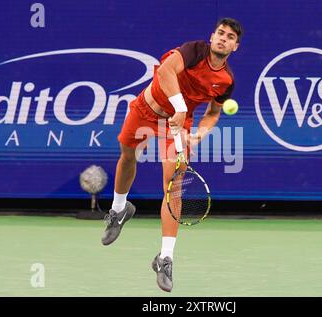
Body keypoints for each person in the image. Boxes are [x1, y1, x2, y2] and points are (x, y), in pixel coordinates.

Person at [101, 17, 243, 292]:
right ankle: (119, 210)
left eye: (230, 37)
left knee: (174, 185)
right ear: (212, 36)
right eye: (220, 33)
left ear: (235, 47)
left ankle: (165, 258)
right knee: (127, 156)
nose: (223, 38)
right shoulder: (194, 51)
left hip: (177, 125)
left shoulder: (226, 81)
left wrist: (200, 133)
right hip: (145, 109)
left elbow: (213, 113)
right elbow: (165, 71)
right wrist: (179, 105)